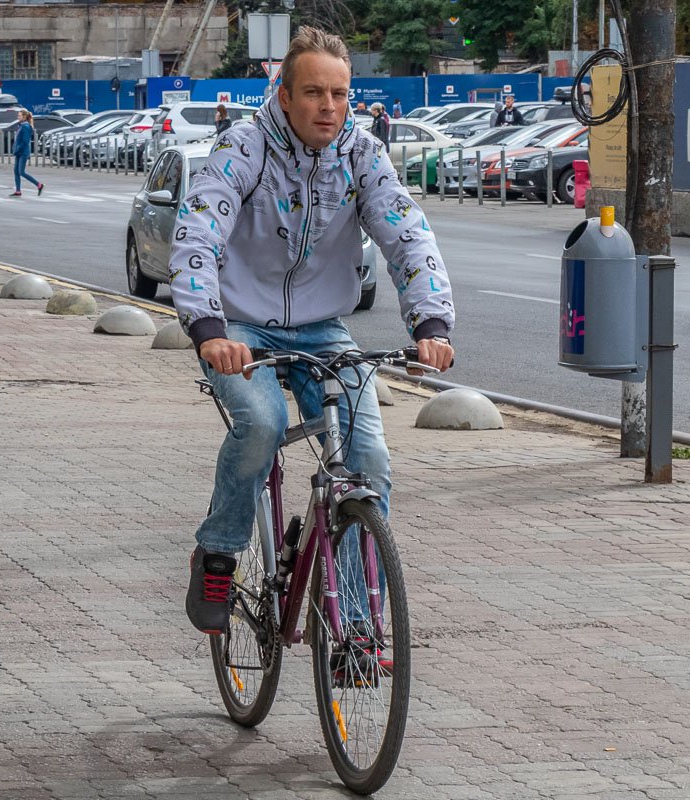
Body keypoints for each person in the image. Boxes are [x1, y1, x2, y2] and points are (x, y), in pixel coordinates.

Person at [170, 25, 455, 634]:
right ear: (283, 93)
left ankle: (354, 623)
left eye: (341, 94)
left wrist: (430, 321)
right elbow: (198, 234)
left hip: (323, 328)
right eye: (314, 93)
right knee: (264, 423)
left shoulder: (361, 153)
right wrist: (207, 327)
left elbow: (406, 233)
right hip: (239, 327)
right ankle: (219, 549)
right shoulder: (243, 148)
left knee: (368, 458)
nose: (329, 107)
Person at [10, 110, 43, 197]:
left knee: (21, 172)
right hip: (18, 151)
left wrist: (18, 149)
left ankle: (39, 185)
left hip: (23, 152)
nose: (18, 117)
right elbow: (18, 139)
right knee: (16, 171)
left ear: (24, 117)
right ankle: (18, 191)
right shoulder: (21, 126)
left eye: (19, 116)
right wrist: (15, 148)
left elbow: (25, 141)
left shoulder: (26, 127)